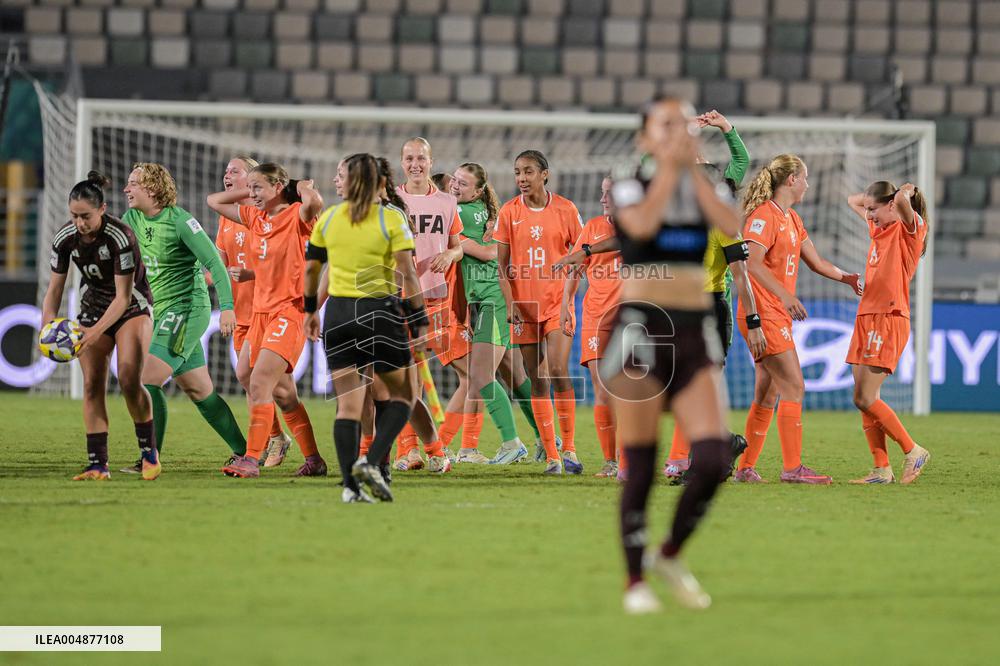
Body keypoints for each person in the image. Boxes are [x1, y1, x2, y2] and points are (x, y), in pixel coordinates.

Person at [604, 95, 743, 614]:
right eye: (666, 125)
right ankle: (635, 581)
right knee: (641, 465)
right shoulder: (628, 184)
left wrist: (695, 176)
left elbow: (730, 225)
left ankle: (670, 554)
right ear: (645, 138)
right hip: (642, 331)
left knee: (710, 460)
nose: (679, 132)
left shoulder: (706, 185)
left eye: (684, 125)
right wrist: (670, 170)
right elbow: (641, 227)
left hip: (694, 329)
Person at [304, 152, 427, 503]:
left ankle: (350, 486)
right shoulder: (391, 220)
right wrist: (419, 320)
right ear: (379, 182)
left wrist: (310, 311)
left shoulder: (329, 219)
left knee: (348, 407)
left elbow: (312, 269)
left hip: (339, 314)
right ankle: (373, 462)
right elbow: (410, 274)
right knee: (403, 395)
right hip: (379, 312)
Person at [733, 154, 862, 484]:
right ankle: (792, 468)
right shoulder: (763, 217)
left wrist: (846, 277)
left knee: (768, 393)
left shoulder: (791, 219)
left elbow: (816, 262)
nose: (808, 185)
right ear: (791, 180)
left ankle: (746, 467)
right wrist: (785, 296)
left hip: (775, 314)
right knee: (794, 386)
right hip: (763, 313)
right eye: (805, 178)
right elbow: (752, 264)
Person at [121, 162, 245, 472]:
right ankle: (245, 451)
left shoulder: (181, 222)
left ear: (152, 188)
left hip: (187, 310)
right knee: (198, 390)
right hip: (159, 311)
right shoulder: (130, 219)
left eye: (134, 183)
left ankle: (150, 457)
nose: (127, 189)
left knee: (147, 380)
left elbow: (216, 265)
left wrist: (227, 307)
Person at [206, 164, 327, 478]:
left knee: (259, 382)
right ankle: (314, 460)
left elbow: (315, 200)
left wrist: (296, 185)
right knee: (268, 386)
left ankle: (250, 457)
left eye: (258, 188)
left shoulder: (298, 215)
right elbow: (214, 201)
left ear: (279, 187)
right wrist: (252, 189)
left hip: (289, 312)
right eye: (251, 189)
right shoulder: (255, 217)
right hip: (260, 313)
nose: (252, 195)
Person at [42, 171, 160, 481]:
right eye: (74, 216)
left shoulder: (120, 236)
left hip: (131, 307)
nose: (79, 222)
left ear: (103, 210)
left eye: (86, 216)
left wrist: (92, 334)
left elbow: (122, 298)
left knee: (129, 379)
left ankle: (149, 455)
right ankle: (98, 465)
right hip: (92, 307)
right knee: (92, 384)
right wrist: (46, 330)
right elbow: (54, 290)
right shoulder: (64, 238)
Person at [494, 149, 583, 474]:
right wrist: (511, 303)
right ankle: (552, 456)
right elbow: (501, 267)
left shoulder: (566, 209)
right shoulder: (508, 212)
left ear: (544, 174)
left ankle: (570, 447)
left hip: (557, 303)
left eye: (529, 171)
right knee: (537, 379)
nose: (522, 178)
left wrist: (567, 302)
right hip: (524, 307)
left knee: (557, 368)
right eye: (518, 172)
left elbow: (579, 259)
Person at [450, 162, 539, 464]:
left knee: (480, 376)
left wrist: (458, 243)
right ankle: (547, 438)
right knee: (515, 375)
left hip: (492, 300)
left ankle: (512, 442)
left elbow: (488, 251)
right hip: (492, 299)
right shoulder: (481, 210)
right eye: (454, 180)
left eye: (462, 183)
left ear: (477, 190)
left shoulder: (460, 212)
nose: (454, 186)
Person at [845, 181, 931, 484]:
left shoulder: (910, 230)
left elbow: (903, 206)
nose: (868, 215)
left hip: (888, 318)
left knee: (865, 397)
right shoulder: (879, 229)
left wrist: (903, 194)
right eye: (868, 210)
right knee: (863, 397)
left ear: (892, 206)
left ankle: (913, 450)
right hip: (866, 316)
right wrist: (874, 202)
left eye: (874, 209)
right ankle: (881, 469)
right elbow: (851, 200)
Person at [214, 155, 294, 468]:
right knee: (250, 382)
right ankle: (273, 440)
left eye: (235, 171)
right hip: (242, 313)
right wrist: (226, 306)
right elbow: (220, 267)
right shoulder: (228, 218)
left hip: (271, 311)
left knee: (281, 390)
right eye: (226, 170)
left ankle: (302, 452)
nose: (226, 175)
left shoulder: (270, 215)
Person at [394, 137, 464, 473]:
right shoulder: (391, 201)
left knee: (418, 377)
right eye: (409, 159)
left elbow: (458, 245)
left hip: (435, 298)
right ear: (401, 162)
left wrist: (450, 254)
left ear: (431, 162)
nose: (415, 164)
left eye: (421, 158)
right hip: (398, 298)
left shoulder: (447, 202)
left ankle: (424, 448)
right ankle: (410, 451)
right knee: (404, 376)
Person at [557, 176, 622, 478]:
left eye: (609, 193)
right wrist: (567, 304)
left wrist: (585, 251)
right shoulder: (593, 226)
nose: (603, 198)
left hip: (629, 316)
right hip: (596, 315)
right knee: (603, 388)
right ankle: (611, 461)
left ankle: (632, 459)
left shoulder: (639, 224)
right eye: (602, 193)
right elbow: (575, 269)